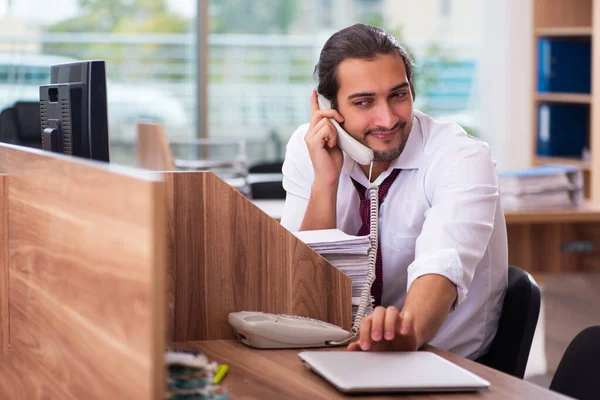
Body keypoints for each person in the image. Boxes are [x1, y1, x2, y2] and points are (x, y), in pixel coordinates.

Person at [280, 23, 508, 360]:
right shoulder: (309, 147)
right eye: (364, 102)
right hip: (343, 354)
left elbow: (440, 270)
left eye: (398, 95)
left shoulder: (461, 157)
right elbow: (298, 292)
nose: (387, 119)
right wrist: (325, 182)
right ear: (331, 110)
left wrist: (406, 333)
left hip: (449, 365)